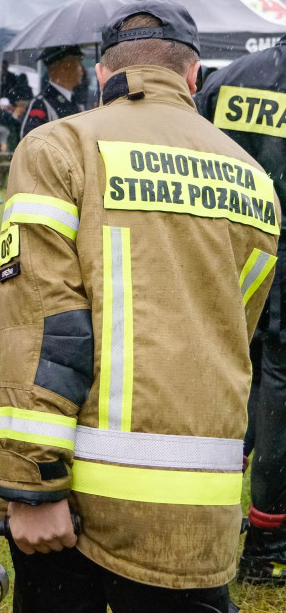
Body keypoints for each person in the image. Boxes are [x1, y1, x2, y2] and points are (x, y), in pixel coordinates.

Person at [0, 0, 280, 612]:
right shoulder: (252, 179)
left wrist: (31, 484)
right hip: (200, 517)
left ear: (102, 74)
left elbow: (46, 329)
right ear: (194, 75)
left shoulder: (57, 149)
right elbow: (236, 331)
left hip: (80, 509)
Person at [195, 33, 286, 586]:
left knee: (232, 375)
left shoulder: (231, 77)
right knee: (278, 391)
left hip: (230, 245)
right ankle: (268, 540)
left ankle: (206, 512)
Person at [19, 44, 85, 139]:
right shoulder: (41, 104)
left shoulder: (75, 102)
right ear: (65, 67)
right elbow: (30, 145)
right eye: (79, 62)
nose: (82, 69)